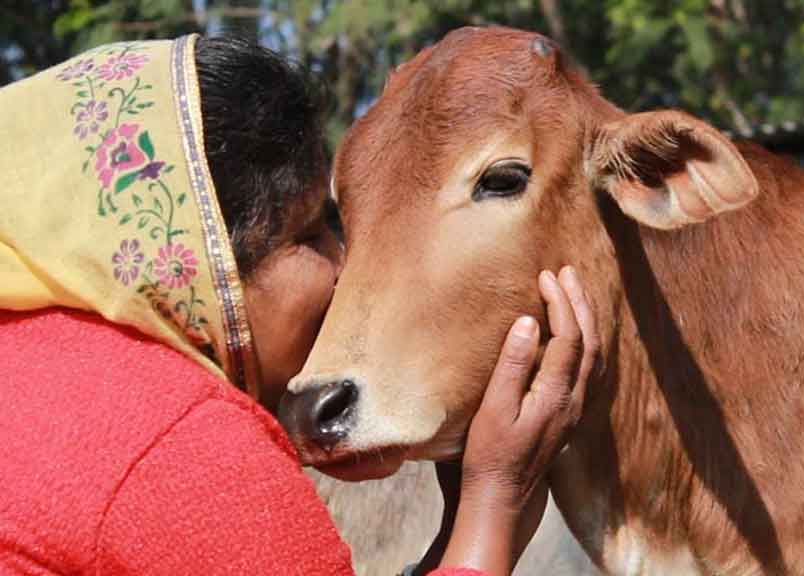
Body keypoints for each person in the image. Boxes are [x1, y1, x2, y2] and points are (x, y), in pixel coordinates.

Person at [0, 35, 597, 576]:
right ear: (201, 261)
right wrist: (493, 499)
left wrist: (454, 538)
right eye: (312, 234)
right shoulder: (180, 448)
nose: (342, 269)